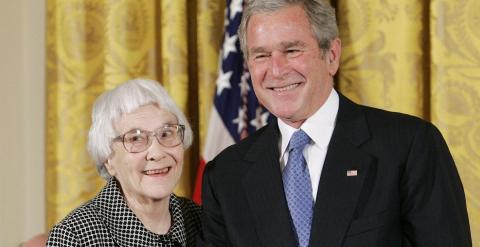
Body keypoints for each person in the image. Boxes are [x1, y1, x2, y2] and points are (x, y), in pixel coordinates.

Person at [197, 0, 472, 246]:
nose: (276, 70)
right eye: (261, 55)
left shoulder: (410, 146)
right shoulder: (224, 175)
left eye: (292, 50)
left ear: (332, 55)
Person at [47, 79, 201, 246]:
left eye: (166, 133)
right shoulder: (74, 238)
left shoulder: (202, 221)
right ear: (108, 160)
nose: (156, 153)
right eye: (136, 138)